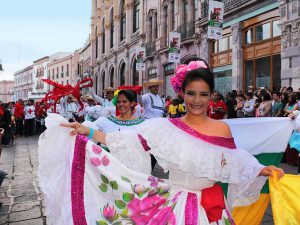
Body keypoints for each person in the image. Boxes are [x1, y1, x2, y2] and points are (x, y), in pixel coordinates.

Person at [57, 60, 284, 224]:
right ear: (181, 94)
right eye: (191, 93)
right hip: (176, 208)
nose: (197, 100)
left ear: (211, 95)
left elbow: (235, 159)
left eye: (203, 94)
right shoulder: (166, 127)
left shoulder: (221, 128)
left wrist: (261, 169)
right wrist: (87, 131)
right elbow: (124, 140)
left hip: (213, 209)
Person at [83, 89, 149, 173]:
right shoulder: (104, 121)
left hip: (134, 169)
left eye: (124, 101)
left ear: (132, 103)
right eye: (119, 102)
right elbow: (89, 129)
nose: (121, 104)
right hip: (111, 169)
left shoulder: (143, 124)